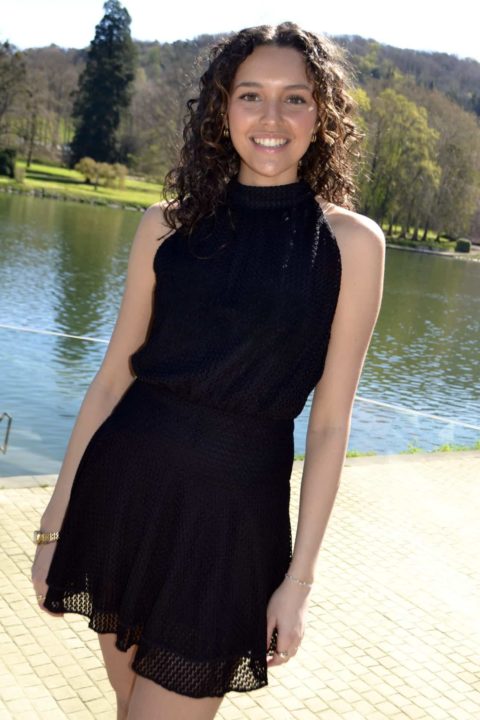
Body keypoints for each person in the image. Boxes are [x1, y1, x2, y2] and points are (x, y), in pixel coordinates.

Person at [31, 21, 385, 720]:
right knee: (128, 705)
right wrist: (55, 520)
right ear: (223, 110)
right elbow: (111, 382)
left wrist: (299, 581)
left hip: (232, 528)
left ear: (322, 115)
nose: (271, 117)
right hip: (123, 497)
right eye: (251, 95)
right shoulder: (165, 225)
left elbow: (330, 424)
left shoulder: (350, 245)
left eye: (295, 98)